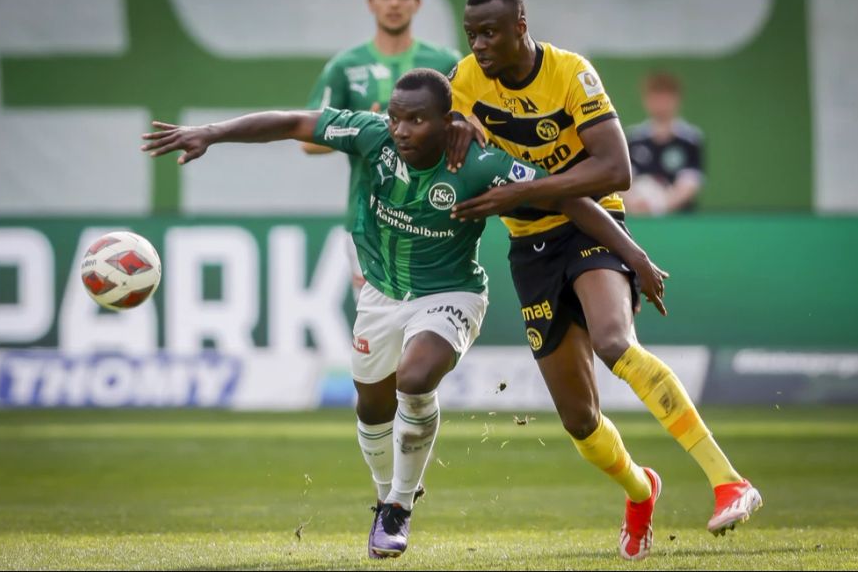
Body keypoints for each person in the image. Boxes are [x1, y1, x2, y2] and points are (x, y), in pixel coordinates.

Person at [141, 68, 669, 559]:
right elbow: (293, 122)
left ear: (449, 122)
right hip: (380, 296)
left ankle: (397, 507)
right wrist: (210, 132)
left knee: (414, 379)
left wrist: (634, 255)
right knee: (372, 407)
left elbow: (573, 201)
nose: (400, 129)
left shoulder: (481, 162)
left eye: (416, 119)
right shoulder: (371, 135)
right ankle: (389, 496)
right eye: (396, 117)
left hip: (452, 293)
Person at [446, 0, 761, 561]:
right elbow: (441, 119)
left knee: (616, 342)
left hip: (593, 225)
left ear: (521, 26)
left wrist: (629, 252)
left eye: (489, 32)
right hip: (529, 248)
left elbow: (616, 170)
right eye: (471, 35)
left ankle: (729, 481)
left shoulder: (570, 73)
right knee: (580, 421)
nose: (479, 45)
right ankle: (641, 491)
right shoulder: (465, 78)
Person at [301, 0, 461, 297]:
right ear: (370, 1)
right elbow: (308, 142)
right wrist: (362, 128)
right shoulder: (345, 66)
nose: (394, 3)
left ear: (417, 2)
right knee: (380, 339)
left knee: (431, 335)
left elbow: (468, 128)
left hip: (435, 221)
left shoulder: (447, 63)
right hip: (368, 223)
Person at [623, 71, 705, 215]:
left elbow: (690, 184)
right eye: (656, 98)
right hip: (641, 219)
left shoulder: (691, 139)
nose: (661, 104)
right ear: (646, 100)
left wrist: (659, 205)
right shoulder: (633, 138)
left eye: (666, 98)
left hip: (679, 220)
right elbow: (622, 181)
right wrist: (635, 204)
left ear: (677, 99)